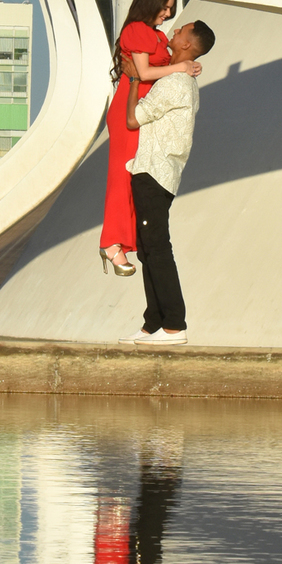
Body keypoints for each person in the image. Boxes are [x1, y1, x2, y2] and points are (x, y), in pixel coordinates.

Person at [119, 19, 215, 346]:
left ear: (188, 44)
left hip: (154, 171)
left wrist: (133, 77)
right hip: (157, 172)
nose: (173, 32)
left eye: (180, 31)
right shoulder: (181, 79)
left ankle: (174, 324)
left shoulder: (175, 82)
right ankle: (153, 322)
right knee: (148, 247)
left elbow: (133, 119)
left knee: (157, 247)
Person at [100, 0, 202, 277]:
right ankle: (111, 243)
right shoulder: (136, 31)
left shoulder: (156, 36)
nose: (168, 14)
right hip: (128, 111)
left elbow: (167, 67)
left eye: (171, 9)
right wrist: (180, 68)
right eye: (165, 7)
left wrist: (190, 66)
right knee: (122, 174)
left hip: (145, 111)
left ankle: (124, 241)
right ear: (150, 2)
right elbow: (143, 73)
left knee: (134, 176)